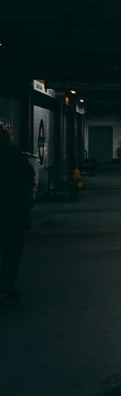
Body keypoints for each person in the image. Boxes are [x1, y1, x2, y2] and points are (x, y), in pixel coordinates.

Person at [0, 125, 35, 303]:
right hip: (13, 210)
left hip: (12, 209)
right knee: (12, 251)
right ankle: (7, 283)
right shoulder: (15, 155)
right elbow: (29, 175)